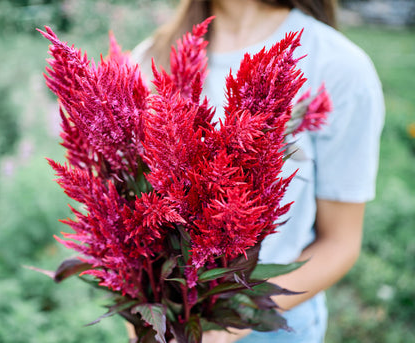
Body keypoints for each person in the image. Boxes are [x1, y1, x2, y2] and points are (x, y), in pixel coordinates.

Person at [131, 0, 385, 342]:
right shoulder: (153, 55)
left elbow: (340, 242)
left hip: (271, 320)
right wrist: (142, 319)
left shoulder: (338, 65)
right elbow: (132, 216)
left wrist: (226, 328)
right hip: (171, 323)